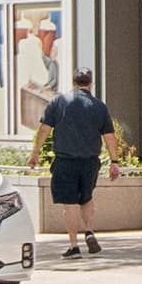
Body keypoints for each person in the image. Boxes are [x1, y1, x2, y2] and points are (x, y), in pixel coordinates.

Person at [34, 69, 115, 259]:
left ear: (73, 82)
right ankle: (89, 230)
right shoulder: (99, 106)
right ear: (91, 84)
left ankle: (73, 246)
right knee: (86, 197)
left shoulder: (58, 102)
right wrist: (115, 161)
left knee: (70, 203)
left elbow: (44, 129)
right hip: (90, 162)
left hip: (65, 161)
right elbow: (110, 137)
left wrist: (35, 153)